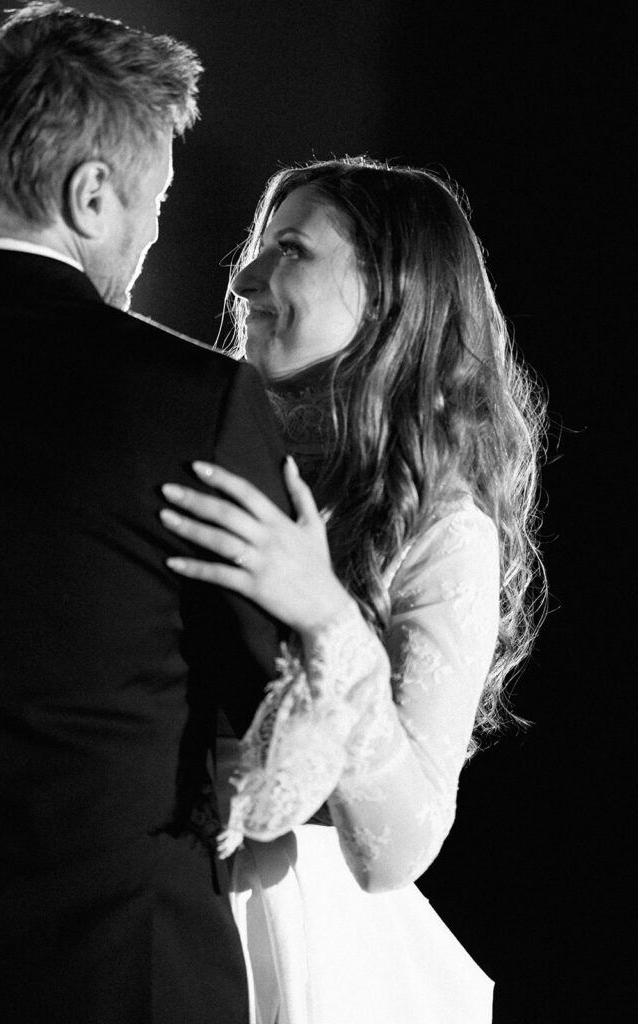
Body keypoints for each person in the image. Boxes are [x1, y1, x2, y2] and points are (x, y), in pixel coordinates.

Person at [0, 4, 295, 1022]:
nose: (152, 233)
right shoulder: (194, 403)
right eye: (155, 202)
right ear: (93, 194)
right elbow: (278, 718)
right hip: (113, 975)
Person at [159, 157, 547, 1023]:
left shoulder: (441, 530)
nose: (245, 278)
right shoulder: (198, 460)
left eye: (289, 250)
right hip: (139, 901)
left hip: (293, 939)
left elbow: (398, 847)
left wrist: (325, 615)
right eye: (255, 249)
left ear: (387, 300)